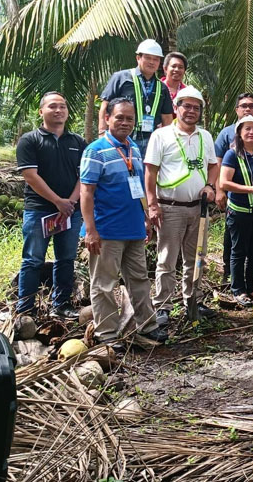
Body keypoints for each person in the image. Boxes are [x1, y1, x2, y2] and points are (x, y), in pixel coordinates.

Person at [79, 98, 166, 347]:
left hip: (134, 228)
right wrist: (91, 231)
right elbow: (86, 192)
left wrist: (145, 219)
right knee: (104, 284)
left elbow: (137, 187)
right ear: (107, 118)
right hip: (106, 231)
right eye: (120, 117)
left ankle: (147, 326)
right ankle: (107, 335)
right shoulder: (95, 150)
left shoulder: (134, 149)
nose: (125, 122)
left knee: (139, 278)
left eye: (129, 118)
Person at [144, 86, 219, 326]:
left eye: (196, 108)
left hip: (198, 208)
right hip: (170, 207)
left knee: (196, 257)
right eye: (186, 106)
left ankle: (192, 300)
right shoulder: (161, 135)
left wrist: (210, 185)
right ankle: (163, 305)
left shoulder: (205, 136)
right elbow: (151, 171)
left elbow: (213, 165)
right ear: (176, 108)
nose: (191, 111)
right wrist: (152, 204)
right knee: (167, 259)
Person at [15, 91, 86, 318]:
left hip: (70, 212)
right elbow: (30, 176)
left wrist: (71, 203)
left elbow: (83, 177)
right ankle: (26, 309)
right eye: (53, 106)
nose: (58, 110)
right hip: (39, 210)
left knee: (65, 259)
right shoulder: (30, 140)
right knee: (33, 260)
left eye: (63, 106)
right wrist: (58, 202)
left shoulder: (77, 142)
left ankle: (62, 305)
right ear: (41, 111)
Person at [214, 93, 253, 280]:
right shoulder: (232, 155)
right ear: (240, 133)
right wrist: (250, 189)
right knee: (238, 250)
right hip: (238, 210)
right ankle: (237, 287)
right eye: (247, 129)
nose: (251, 132)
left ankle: (251, 287)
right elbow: (224, 182)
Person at [99, 39, 174, 156]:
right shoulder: (121, 78)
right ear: (138, 58)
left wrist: (167, 142)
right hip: (123, 138)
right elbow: (105, 106)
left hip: (152, 141)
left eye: (156, 59)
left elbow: (167, 118)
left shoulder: (162, 87)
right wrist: (102, 134)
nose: (152, 62)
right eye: (148, 58)